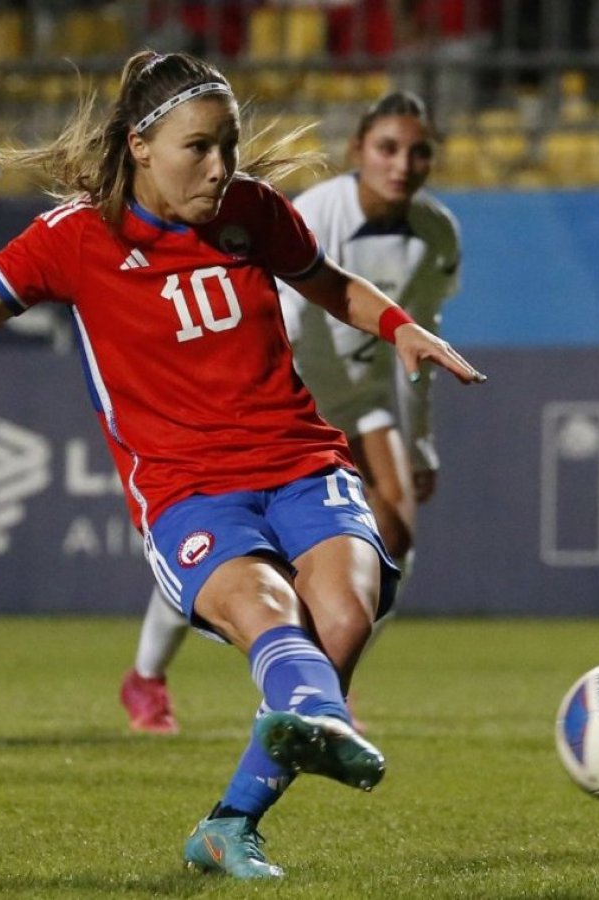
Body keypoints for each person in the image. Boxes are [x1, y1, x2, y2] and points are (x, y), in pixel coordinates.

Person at [0, 49, 486, 878]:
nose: (221, 167)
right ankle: (306, 725)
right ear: (140, 145)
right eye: (199, 148)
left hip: (303, 460)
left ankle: (232, 820)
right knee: (273, 613)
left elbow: (327, 280)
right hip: (189, 490)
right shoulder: (73, 237)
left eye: (229, 146)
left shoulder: (253, 210)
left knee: (347, 614)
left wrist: (400, 327)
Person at [119, 90, 461, 736]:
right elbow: (284, 318)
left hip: (360, 399)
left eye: (419, 152)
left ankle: (327, 684)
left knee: (396, 534)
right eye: (387, 148)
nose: (403, 164)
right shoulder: (315, 212)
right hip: (287, 398)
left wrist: (419, 444)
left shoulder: (437, 233)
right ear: (358, 151)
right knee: (225, 549)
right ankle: (146, 676)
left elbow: (419, 340)